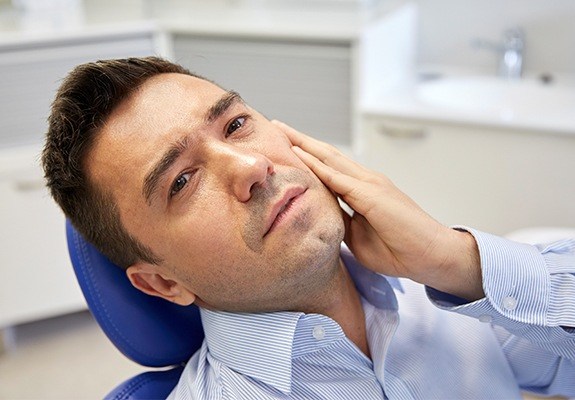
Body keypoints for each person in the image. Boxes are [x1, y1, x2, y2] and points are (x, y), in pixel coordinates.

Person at [42, 56, 575, 399]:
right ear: (163, 284)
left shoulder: (452, 290)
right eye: (182, 182)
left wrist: (457, 261)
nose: (251, 168)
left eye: (236, 125)